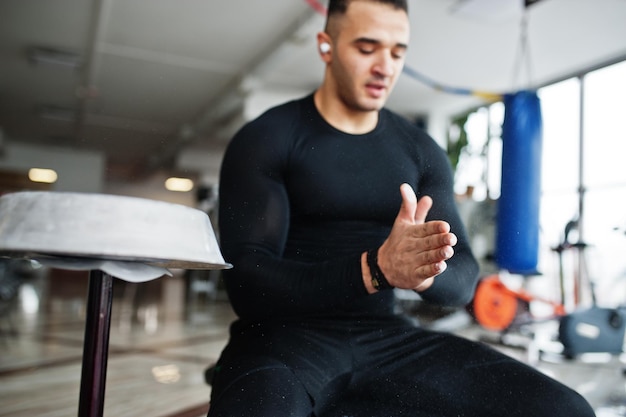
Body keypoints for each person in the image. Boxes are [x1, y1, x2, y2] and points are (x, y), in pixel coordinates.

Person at [207, 0, 596, 415]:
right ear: (326, 46)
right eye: (366, 47)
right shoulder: (268, 137)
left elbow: (462, 278)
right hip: (279, 339)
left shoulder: (419, 151)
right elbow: (248, 284)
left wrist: (423, 269)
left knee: (564, 410)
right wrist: (375, 269)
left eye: (397, 52)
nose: (384, 66)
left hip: (386, 339)